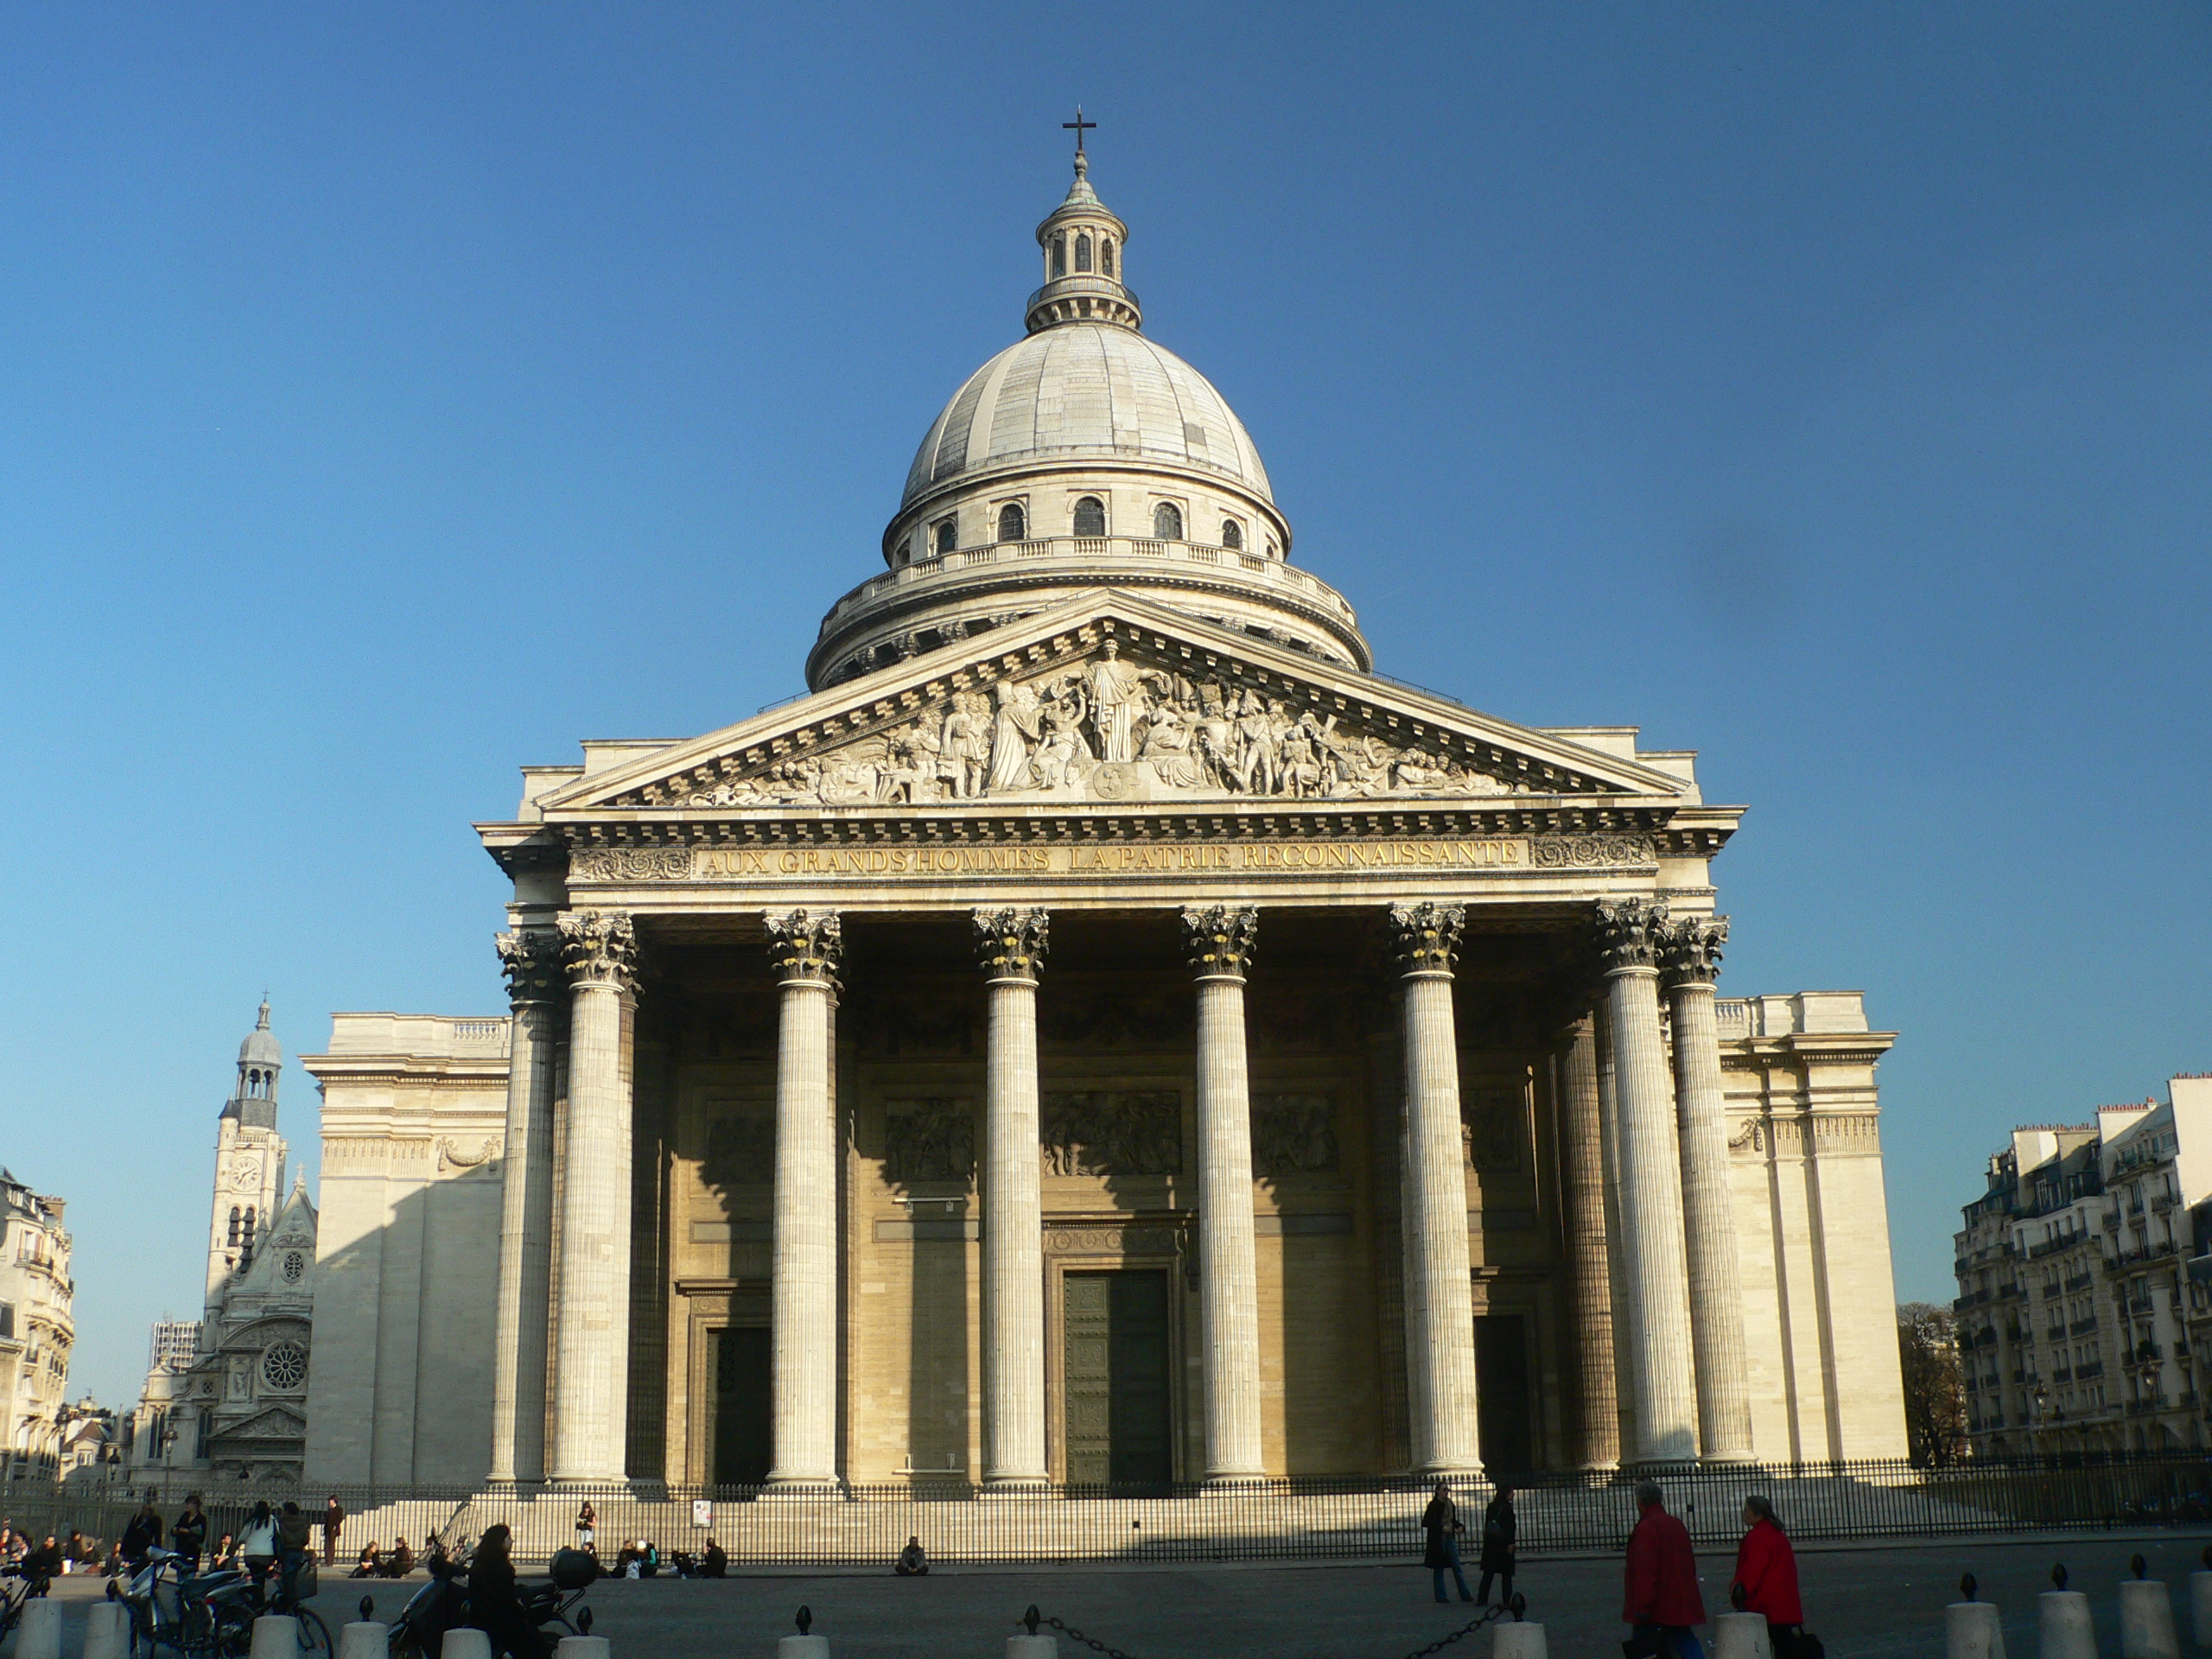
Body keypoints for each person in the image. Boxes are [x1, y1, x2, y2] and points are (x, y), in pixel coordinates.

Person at [1624, 1481, 1707, 1659]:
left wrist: (1642, 1604)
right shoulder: (1676, 1523)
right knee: (1685, 1640)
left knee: (1644, 1648)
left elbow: (1644, 1571)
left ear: (1640, 1503)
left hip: (1656, 1603)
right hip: (1679, 1596)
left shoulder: (1646, 1528)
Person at [1732, 1496, 1803, 1654]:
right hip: (1782, 1600)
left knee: (1779, 1645)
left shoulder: (1757, 1537)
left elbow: (1753, 1572)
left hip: (1768, 1603)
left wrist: (1740, 1593)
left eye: (1747, 1510)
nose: (1744, 1514)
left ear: (1758, 1515)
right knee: (1783, 1643)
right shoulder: (1775, 1534)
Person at [467, 1524, 543, 1659]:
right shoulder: (500, 1567)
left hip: (483, 1618)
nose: (512, 1541)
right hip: (499, 1622)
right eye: (508, 1538)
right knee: (534, 1643)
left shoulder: (481, 1563)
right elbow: (506, 1600)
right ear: (499, 1542)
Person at [1421, 1478, 1474, 1604]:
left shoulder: (1450, 1504)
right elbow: (1426, 1522)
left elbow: (1453, 1520)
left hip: (1449, 1537)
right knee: (1439, 1568)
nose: (1447, 1492)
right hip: (1438, 1540)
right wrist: (1441, 1528)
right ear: (1438, 1491)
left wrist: (1459, 1526)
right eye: (1444, 1490)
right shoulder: (1434, 1505)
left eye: (1447, 1489)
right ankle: (1441, 1596)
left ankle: (1465, 1594)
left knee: (1457, 1566)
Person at [1477, 1484, 1517, 1608]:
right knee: (1506, 1575)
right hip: (1503, 1544)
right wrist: (1510, 1543)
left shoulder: (1491, 1506)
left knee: (1488, 1574)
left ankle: (1482, 1599)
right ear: (1506, 1493)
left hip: (1491, 1544)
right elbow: (1509, 1527)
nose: (1513, 1494)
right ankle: (1507, 1600)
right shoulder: (1506, 1508)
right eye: (1511, 1492)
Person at [239, 1501, 279, 1608]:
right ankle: (259, 1601)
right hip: (266, 1555)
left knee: (255, 1578)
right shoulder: (272, 1520)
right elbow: (277, 1535)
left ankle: (256, 1602)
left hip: (251, 1555)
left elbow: (242, 1537)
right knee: (261, 1578)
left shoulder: (251, 1521)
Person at [276, 1502, 314, 1605]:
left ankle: (288, 1600)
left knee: (287, 1577)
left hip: (287, 1550)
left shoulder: (282, 1521)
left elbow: (280, 1538)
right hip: (298, 1550)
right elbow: (306, 1538)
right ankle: (294, 1600)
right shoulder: (303, 1521)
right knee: (295, 1576)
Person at [119, 1497, 163, 1568]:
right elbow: (129, 1534)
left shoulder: (155, 1520)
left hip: (144, 1551)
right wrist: (123, 1551)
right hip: (133, 1551)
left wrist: (158, 1553)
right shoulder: (137, 1518)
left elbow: (158, 1537)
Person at [171, 1496, 208, 1570]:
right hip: (180, 1549)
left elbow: (201, 1537)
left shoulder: (201, 1519)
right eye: (187, 1504)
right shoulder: (185, 1516)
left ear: (195, 1506)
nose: (187, 1506)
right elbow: (178, 1527)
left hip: (192, 1553)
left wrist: (188, 1532)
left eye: (189, 1504)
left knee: (189, 1576)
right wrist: (175, 1530)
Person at [322, 1497, 345, 1567]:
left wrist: (335, 1525)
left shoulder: (339, 1509)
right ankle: (327, 1560)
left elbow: (340, 1518)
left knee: (331, 1545)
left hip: (333, 1529)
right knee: (327, 1545)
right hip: (328, 1529)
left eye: (331, 1501)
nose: (329, 1502)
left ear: (334, 1501)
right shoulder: (330, 1510)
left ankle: (330, 1561)